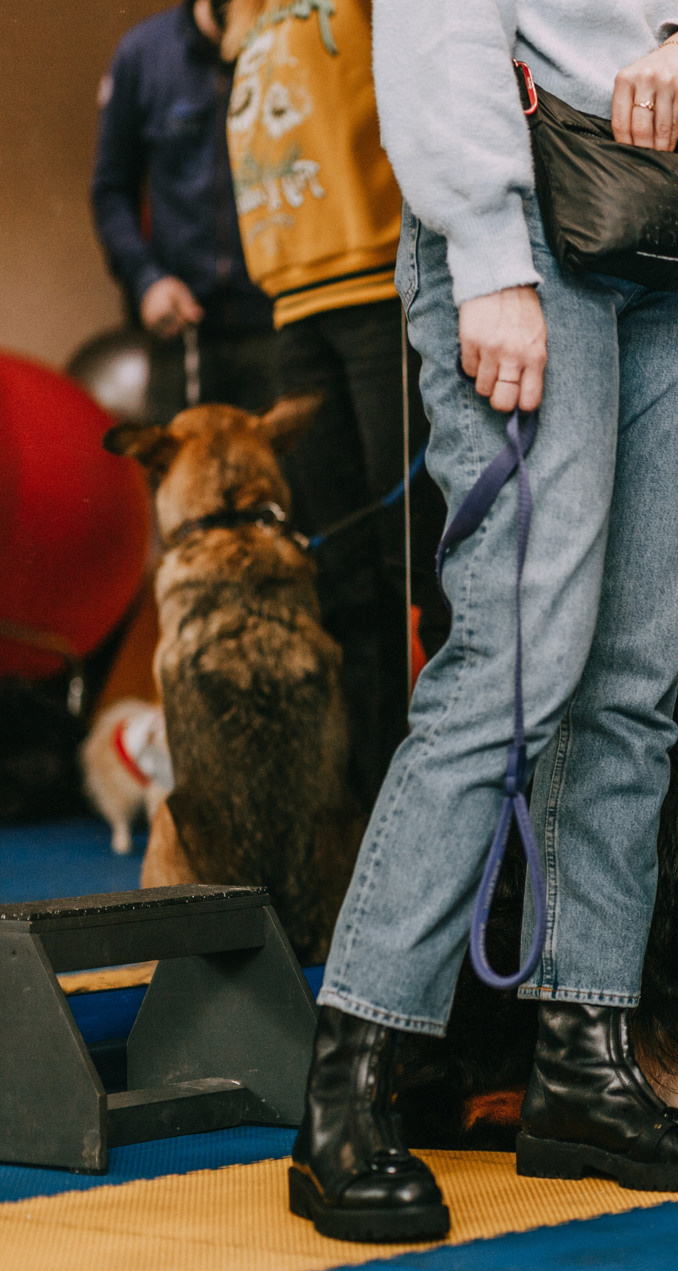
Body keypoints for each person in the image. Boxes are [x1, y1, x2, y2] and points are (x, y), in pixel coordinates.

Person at [288, 0, 678, 1243]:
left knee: (634, 686)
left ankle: (585, 1068)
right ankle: (350, 1086)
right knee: (513, 666)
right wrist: (487, 261)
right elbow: (435, 31)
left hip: (671, 207)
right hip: (521, 215)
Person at [221, 0, 449, 810]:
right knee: (342, 575)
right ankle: (369, 801)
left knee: (412, 557)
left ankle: (442, 799)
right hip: (292, 307)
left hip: (375, 288)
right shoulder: (248, 12)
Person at [92, 0, 278, 420]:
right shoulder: (142, 53)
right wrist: (146, 280)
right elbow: (111, 190)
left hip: (278, 322)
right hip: (183, 328)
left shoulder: (282, 42)